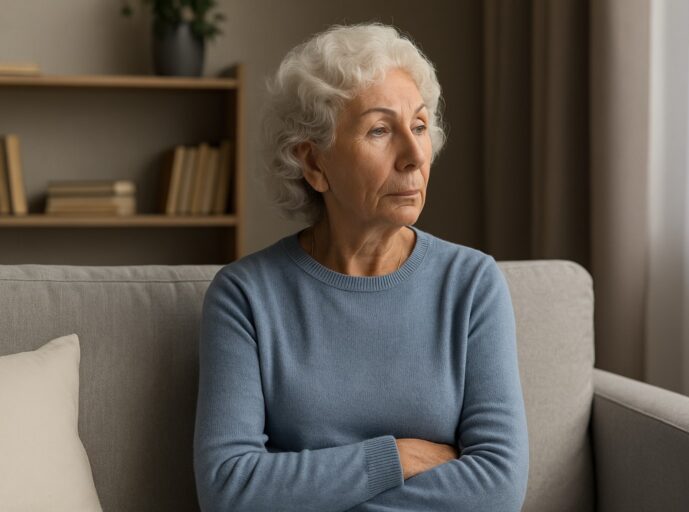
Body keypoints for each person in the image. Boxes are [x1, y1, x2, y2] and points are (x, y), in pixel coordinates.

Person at [193, 22, 528, 512]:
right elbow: (229, 490)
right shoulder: (245, 297)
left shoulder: (471, 284)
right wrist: (394, 458)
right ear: (313, 164)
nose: (415, 156)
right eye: (379, 130)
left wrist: (306, 489)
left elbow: (498, 489)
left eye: (418, 126)